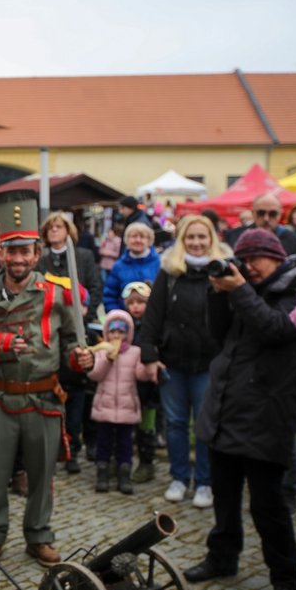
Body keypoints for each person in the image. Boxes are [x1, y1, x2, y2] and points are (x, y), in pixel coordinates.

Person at [184, 228, 296, 590]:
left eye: (257, 259)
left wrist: (240, 289)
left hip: (268, 415)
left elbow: (278, 330)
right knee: (224, 498)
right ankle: (222, 557)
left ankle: (286, 579)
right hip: (228, 408)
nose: (251, 267)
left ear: (275, 256)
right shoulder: (246, 286)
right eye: (246, 261)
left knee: (268, 505)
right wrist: (217, 292)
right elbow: (218, 334)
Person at [0, 190, 93, 569]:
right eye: (11, 250)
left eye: (26, 251)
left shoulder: (58, 294)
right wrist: (0, 344)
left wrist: (81, 357)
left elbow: (72, 343)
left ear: (37, 254)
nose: (19, 258)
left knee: (42, 475)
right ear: (0, 254)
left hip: (44, 398)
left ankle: (39, 535)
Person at [139, 215, 229, 506]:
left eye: (202, 237)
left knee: (205, 424)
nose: (197, 242)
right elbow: (153, 315)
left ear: (212, 240)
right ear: (182, 240)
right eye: (191, 237)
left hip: (209, 362)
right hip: (173, 361)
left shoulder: (223, 272)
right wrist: (150, 355)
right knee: (176, 423)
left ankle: (205, 481)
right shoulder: (169, 271)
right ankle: (179, 477)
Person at [35, 212, 102, 473]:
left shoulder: (83, 256)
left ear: (68, 230)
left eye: (59, 226)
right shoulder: (41, 260)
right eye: (50, 227)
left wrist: (87, 309)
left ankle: (75, 447)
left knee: (78, 392)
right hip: (51, 329)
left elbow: (95, 286)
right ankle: (52, 445)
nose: (54, 231)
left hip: (77, 328)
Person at [87, 310, 150, 494]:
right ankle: (103, 473)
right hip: (105, 406)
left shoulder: (134, 352)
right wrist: (107, 359)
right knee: (104, 442)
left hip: (126, 406)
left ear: (127, 334)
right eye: (113, 332)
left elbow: (140, 374)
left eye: (121, 332)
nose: (116, 336)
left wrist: (148, 365)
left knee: (125, 444)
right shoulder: (102, 351)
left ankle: (124, 475)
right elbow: (95, 374)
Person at [122, 282, 161, 483]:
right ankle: (122, 460)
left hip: (148, 390)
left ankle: (147, 462)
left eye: (140, 302)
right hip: (126, 387)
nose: (136, 307)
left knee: (146, 427)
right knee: (125, 427)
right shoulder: (122, 326)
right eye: (132, 303)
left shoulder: (154, 326)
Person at [103, 222, 161, 312]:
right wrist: (119, 316)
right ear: (127, 239)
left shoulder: (160, 264)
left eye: (142, 237)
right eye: (134, 236)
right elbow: (110, 296)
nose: (138, 240)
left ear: (149, 240)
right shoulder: (118, 266)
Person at [225, 193, 296, 256]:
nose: (266, 218)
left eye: (272, 214)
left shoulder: (295, 242)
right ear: (253, 213)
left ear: (280, 215)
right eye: (261, 213)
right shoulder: (234, 237)